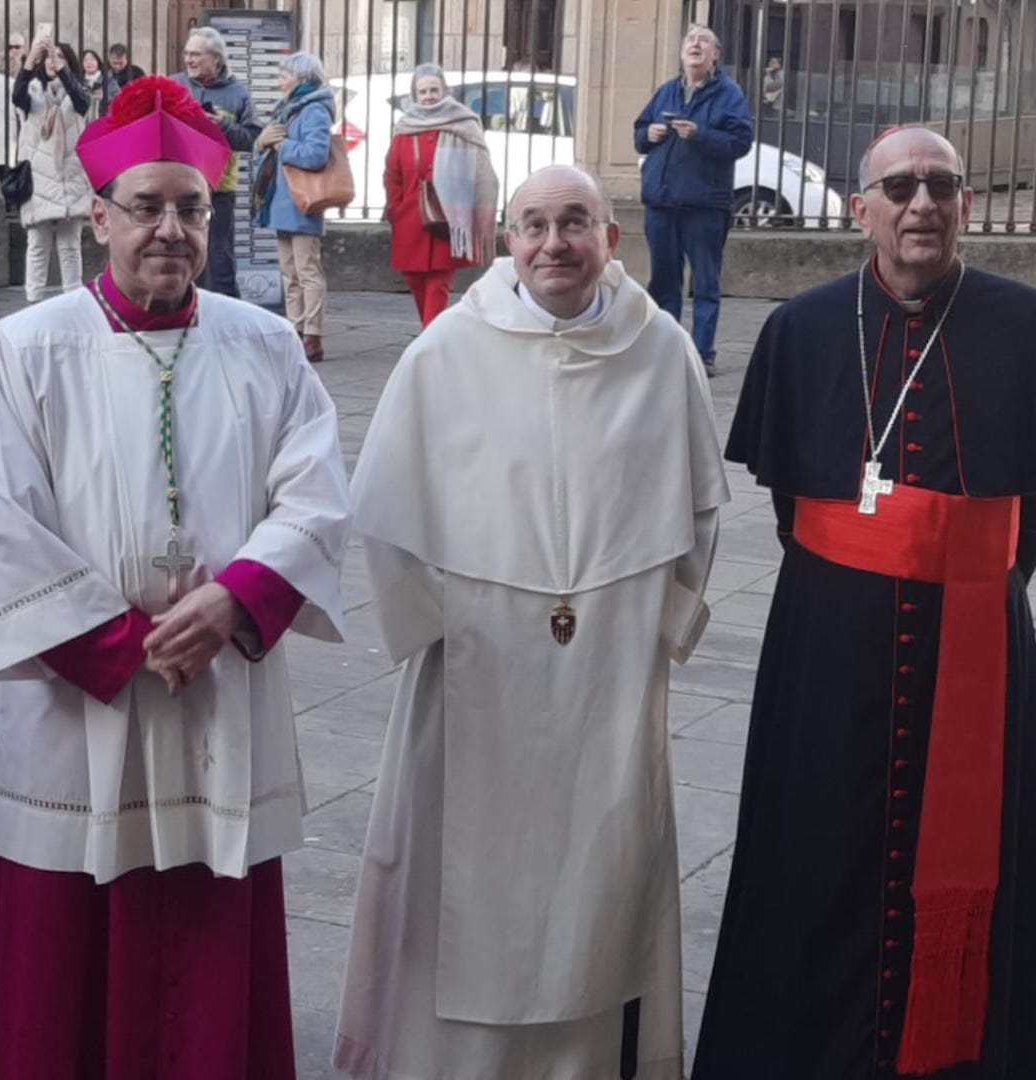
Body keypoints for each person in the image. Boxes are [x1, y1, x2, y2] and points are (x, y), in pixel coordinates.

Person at [0, 75, 350, 1079]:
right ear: (99, 218)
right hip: (79, 705)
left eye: (192, 208)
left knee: (210, 939)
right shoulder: (27, 347)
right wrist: (121, 646)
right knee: (62, 954)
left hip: (220, 681)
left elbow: (316, 495)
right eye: (147, 207)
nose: (171, 229)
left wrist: (237, 600)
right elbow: (5, 526)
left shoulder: (264, 344)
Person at [694, 126, 1036, 1079]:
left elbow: (1034, 508)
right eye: (901, 187)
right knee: (814, 857)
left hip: (977, 648)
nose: (923, 203)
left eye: (942, 186)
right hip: (827, 645)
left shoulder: (1030, 323)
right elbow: (794, 508)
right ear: (860, 208)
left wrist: (959, 572)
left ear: (966, 204)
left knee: (981, 867)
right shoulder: (802, 328)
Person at [335, 163, 726, 1080]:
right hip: (476, 670)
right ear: (506, 242)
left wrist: (658, 630)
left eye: (576, 223)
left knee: (604, 876)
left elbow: (701, 513)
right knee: (463, 879)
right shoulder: (445, 353)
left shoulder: (661, 350)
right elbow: (387, 515)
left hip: (612, 672)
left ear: (611, 240)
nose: (555, 244)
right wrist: (434, 628)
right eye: (535, 225)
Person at [634, 25, 753, 376]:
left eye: (704, 41)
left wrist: (700, 135)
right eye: (690, 40)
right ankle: (664, 349)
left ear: (715, 55)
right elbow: (639, 135)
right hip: (662, 202)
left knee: (705, 283)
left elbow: (741, 142)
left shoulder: (728, 93)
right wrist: (649, 133)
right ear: (682, 52)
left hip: (704, 204)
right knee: (664, 282)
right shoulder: (667, 91)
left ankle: (702, 353)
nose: (695, 44)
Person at [384, 63, 499, 327]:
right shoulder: (404, 128)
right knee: (415, 281)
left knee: (438, 286)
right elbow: (392, 174)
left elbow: (482, 172)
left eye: (434, 89)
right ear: (414, 95)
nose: (429, 96)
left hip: (449, 220)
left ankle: (430, 343)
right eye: (422, 91)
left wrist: (474, 210)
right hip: (410, 220)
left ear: (445, 91)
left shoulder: (464, 124)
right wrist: (396, 208)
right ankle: (433, 336)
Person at [254, 51, 334, 362]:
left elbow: (315, 155)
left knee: (307, 270)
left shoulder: (313, 110)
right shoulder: (289, 108)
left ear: (301, 77)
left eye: (284, 75)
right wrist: (263, 142)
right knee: (290, 272)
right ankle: (295, 328)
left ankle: (312, 335)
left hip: (302, 200)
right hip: (282, 200)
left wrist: (280, 145)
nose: (279, 81)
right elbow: (271, 148)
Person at [173, 28, 260, 297]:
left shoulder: (238, 94)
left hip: (219, 188)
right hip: (178, 186)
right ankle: (184, 307)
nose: (189, 60)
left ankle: (226, 313)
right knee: (182, 250)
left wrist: (222, 126)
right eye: (187, 53)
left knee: (219, 254)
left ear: (216, 59)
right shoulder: (174, 85)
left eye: (196, 54)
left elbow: (251, 140)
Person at [11, 39, 91, 302]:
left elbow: (81, 101)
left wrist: (63, 72)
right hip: (38, 177)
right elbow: (16, 97)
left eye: (59, 56)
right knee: (37, 246)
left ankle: (74, 301)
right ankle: (33, 300)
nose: (52, 60)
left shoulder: (78, 91)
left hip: (70, 177)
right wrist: (29, 61)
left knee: (70, 248)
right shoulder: (31, 91)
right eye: (48, 56)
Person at [0, 32, 25, 187]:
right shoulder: (12, 84)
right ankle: (9, 206)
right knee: (6, 171)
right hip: (7, 133)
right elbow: (18, 111)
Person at [80, 48, 109, 119]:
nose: (89, 62)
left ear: (98, 62)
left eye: (92, 59)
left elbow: (117, 97)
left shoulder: (108, 80)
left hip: (102, 119)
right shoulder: (79, 82)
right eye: (85, 60)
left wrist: (105, 97)